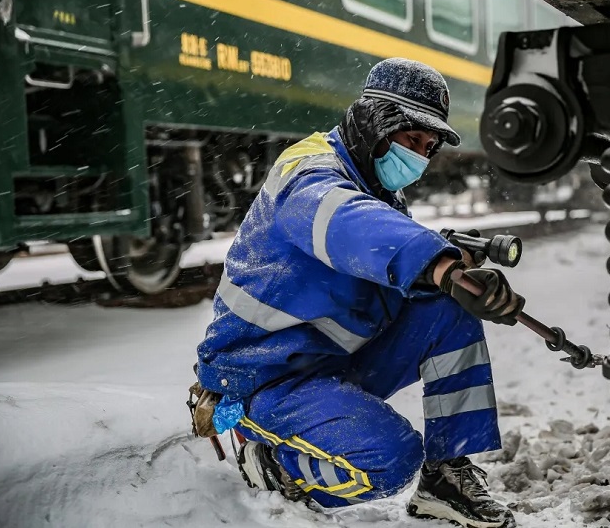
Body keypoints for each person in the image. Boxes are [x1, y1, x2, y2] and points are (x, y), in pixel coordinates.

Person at [195, 58, 524, 528]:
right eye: (413, 140)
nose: (421, 157)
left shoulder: (373, 185)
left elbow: (379, 265)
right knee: (388, 462)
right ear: (377, 122)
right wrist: (436, 263)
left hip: (327, 361)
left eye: (429, 148)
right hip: (263, 376)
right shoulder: (307, 171)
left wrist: (449, 268)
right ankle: (273, 468)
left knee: (449, 313)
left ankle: (447, 479)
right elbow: (345, 221)